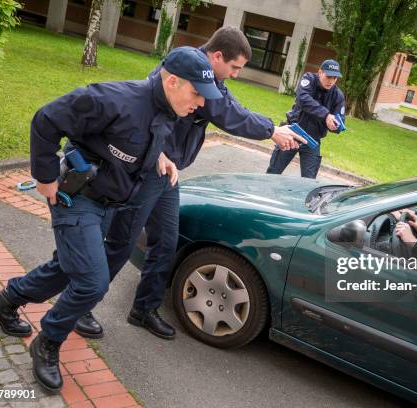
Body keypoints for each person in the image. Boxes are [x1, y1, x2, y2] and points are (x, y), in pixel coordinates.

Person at [0, 46, 221, 392]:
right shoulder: (113, 99)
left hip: (108, 204)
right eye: (197, 93)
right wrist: (44, 177)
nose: (201, 104)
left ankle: (3, 303)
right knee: (93, 281)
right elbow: (46, 120)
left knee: (67, 268)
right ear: (172, 82)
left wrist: (159, 159)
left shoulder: (167, 111)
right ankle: (48, 340)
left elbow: (133, 145)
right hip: (76, 198)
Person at [72, 26, 305, 340]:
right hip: (148, 167)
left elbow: (232, 106)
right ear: (217, 56)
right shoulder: (188, 70)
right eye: (234, 67)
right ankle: (80, 306)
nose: (235, 74)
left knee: (166, 242)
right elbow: (227, 115)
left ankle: (144, 309)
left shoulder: (211, 76)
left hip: (169, 173)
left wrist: (272, 127)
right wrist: (271, 132)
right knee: (121, 242)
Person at [266, 59, 345, 179]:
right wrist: (326, 115)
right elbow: (303, 99)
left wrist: (335, 126)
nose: (331, 81)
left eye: (335, 78)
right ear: (320, 73)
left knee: (309, 181)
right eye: (328, 77)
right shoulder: (309, 79)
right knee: (273, 173)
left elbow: (340, 122)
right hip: (292, 133)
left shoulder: (338, 95)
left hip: (313, 140)